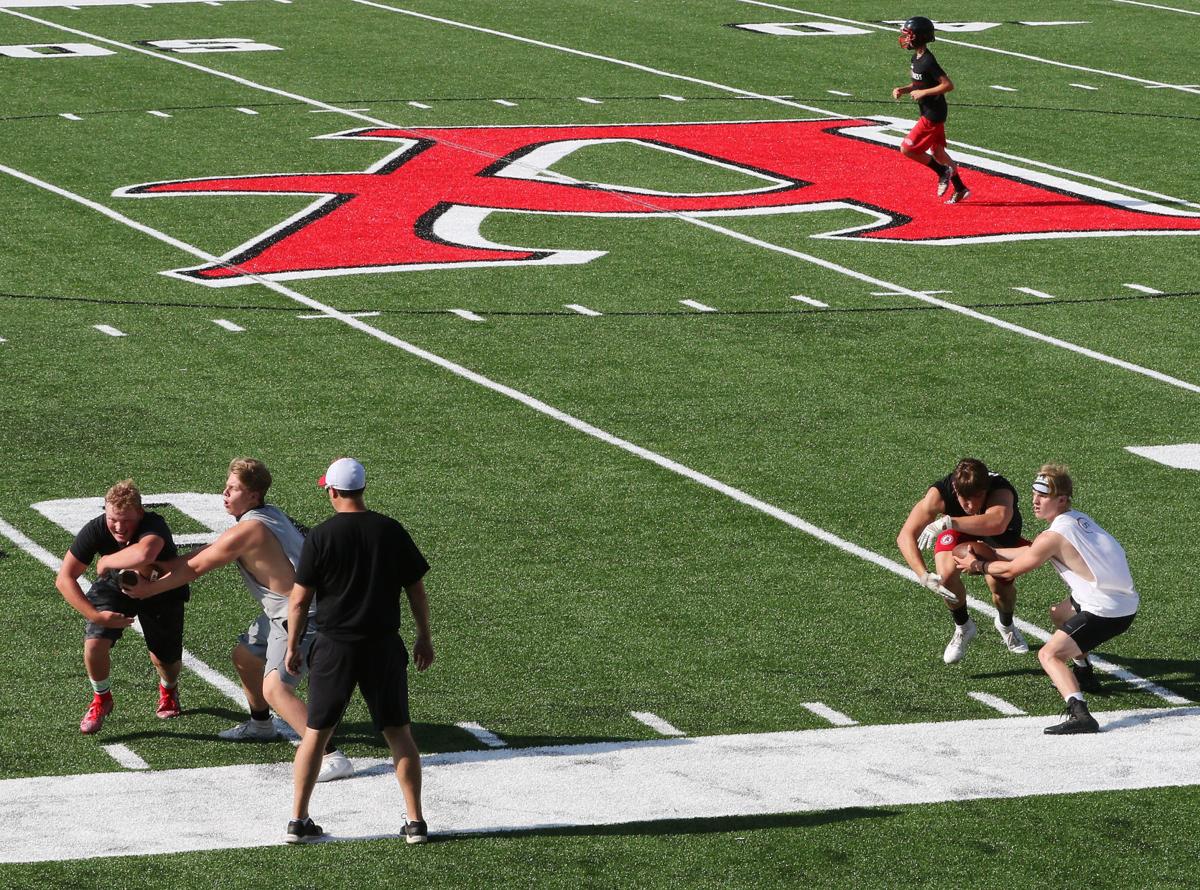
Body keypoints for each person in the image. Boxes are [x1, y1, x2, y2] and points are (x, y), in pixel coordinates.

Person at [124, 458, 352, 781]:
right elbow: (208, 551)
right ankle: (261, 725)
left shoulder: (250, 529)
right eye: (227, 486)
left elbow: (197, 568)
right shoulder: (268, 515)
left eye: (234, 489)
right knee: (245, 657)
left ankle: (330, 754)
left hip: (302, 617)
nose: (225, 493)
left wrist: (149, 590)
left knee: (276, 689)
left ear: (254, 495)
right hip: (286, 611)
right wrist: (163, 567)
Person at [284, 457, 434, 845]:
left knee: (315, 735)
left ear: (332, 491)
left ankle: (298, 820)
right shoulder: (391, 530)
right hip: (383, 645)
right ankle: (415, 821)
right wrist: (424, 636)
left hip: (334, 647)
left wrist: (292, 646)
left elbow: (299, 602)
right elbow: (415, 589)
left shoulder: (321, 536)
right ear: (362, 489)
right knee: (399, 733)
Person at [955, 464, 1138, 734]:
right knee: (1060, 614)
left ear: (1061, 499)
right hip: (1120, 599)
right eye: (1033, 494)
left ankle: (1080, 714)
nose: (1034, 501)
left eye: (1043, 496)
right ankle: (1084, 673)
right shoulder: (1077, 520)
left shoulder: (1054, 536)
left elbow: (1012, 570)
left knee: (1049, 654)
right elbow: (1031, 552)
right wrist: (989, 553)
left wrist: (978, 565)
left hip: (1105, 609)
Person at [55, 480, 190, 734]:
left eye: (126, 520)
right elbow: (64, 579)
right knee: (94, 643)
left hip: (161, 588)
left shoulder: (154, 524)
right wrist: (94, 614)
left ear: (140, 513)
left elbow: (145, 555)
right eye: (112, 519)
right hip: (117, 584)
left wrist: (106, 560)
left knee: (166, 661)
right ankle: (101, 698)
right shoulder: (96, 528)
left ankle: (169, 688)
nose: (118, 526)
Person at [898, 458, 1029, 664]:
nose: (970, 505)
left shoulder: (1001, 491)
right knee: (945, 576)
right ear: (955, 490)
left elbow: (996, 523)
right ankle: (963, 627)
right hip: (956, 528)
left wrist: (948, 521)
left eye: (976, 497)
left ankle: (1005, 624)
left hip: (997, 535)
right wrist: (922, 575)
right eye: (963, 498)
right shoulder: (939, 494)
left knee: (1000, 588)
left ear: (986, 490)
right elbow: (905, 536)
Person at [891, 16, 970, 204]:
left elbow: (948, 85)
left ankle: (942, 171)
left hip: (933, 114)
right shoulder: (915, 58)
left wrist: (923, 92)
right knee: (939, 153)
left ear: (919, 36)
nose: (906, 39)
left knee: (907, 149)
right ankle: (960, 188)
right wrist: (906, 89)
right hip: (931, 111)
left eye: (909, 35)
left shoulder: (928, 60)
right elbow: (920, 82)